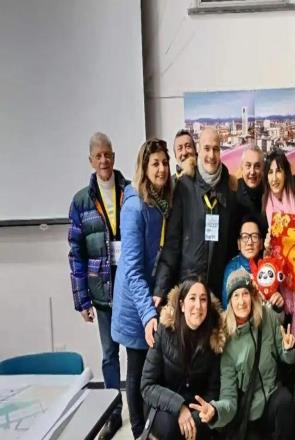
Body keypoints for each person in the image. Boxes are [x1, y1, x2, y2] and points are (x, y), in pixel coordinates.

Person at [68, 132, 128, 440]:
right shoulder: (81, 201)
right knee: (108, 355)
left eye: (108, 154)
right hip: (101, 292)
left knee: (139, 353)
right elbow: (75, 253)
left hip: (129, 289)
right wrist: (82, 301)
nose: (104, 160)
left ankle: (142, 409)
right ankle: (113, 412)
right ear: (91, 161)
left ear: (113, 157)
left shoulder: (129, 192)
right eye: (98, 156)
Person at [189, 268, 295, 440]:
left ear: (252, 295)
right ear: (230, 301)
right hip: (249, 411)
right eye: (236, 296)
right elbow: (229, 397)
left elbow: (287, 359)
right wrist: (215, 411)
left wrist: (288, 349)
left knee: (285, 401)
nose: (241, 302)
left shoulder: (267, 316)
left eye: (245, 294)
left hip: (273, 395)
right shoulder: (225, 337)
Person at [111, 138, 172, 439]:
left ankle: (149, 427)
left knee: (150, 371)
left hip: (151, 299)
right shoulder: (135, 207)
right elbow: (133, 270)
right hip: (135, 303)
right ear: (144, 168)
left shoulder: (160, 202)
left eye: (164, 163)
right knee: (136, 372)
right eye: (155, 164)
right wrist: (148, 313)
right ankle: (138, 432)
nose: (161, 169)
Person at [154, 126, 239, 300]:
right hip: (188, 288)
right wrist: (160, 289)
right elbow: (172, 244)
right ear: (198, 150)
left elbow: (231, 246)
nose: (211, 155)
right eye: (207, 148)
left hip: (217, 290)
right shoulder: (184, 186)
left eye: (216, 149)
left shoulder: (230, 189)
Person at [141, 277, 225, 440]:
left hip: (196, 407)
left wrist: (201, 413)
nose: (198, 306)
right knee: (171, 428)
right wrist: (179, 407)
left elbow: (214, 389)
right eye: (192, 298)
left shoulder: (215, 337)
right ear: (182, 305)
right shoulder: (164, 330)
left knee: (201, 427)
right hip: (163, 405)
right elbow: (147, 385)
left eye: (203, 300)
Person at [262, 148, 295, 337]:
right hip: (279, 284)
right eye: (270, 172)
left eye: (278, 171)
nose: (274, 178)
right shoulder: (265, 206)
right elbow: (263, 258)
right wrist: (266, 248)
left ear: (286, 173)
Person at [221, 214, 284, 312]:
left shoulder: (270, 267)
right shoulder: (232, 269)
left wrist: (278, 306)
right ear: (238, 243)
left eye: (254, 236)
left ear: (261, 243)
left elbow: (278, 314)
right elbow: (227, 309)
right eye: (245, 237)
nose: (250, 242)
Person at [236, 145, 265, 218]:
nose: (252, 172)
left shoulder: (269, 193)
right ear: (242, 167)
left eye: (257, 166)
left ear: (263, 168)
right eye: (248, 166)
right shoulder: (232, 192)